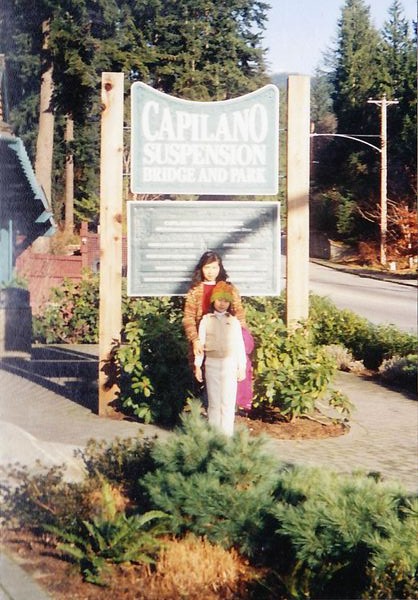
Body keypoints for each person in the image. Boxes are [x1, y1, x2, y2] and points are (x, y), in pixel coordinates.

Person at [194, 281, 246, 436]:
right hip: (211, 364)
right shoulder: (206, 320)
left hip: (229, 363)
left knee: (228, 402)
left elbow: (239, 345)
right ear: (213, 301)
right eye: (219, 300)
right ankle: (214, 436)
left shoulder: (233, 321)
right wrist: (198, 366)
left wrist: (241, 366)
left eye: (226, 301)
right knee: (214, 403)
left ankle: (227, 437)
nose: (222, 304)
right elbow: (200, 345)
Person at [183, 250, 246, 363]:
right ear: (201, 269)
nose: (210, 272)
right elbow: (189, 318)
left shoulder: (228, 288)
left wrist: (244, 336)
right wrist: (195, 340)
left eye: (214, 268)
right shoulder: (195, 290)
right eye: (207, 268)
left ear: (219, 268)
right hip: (203, 339)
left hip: (226, 340)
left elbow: (239, 313)